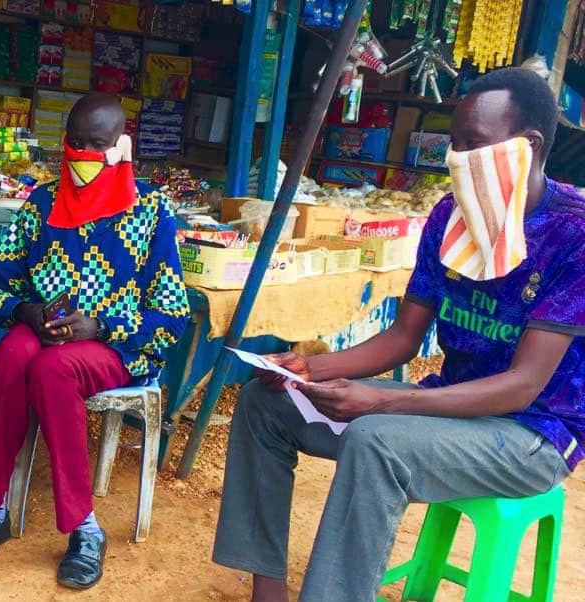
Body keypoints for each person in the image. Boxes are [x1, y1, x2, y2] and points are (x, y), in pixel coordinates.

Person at [212, 66, 583, 602]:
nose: (456, 158)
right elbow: (403, 339)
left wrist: (381, 402)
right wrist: (309, 368)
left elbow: (521, 387)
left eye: (472, 144)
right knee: (266, 404)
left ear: (527, 146)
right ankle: (267, 591)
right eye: (453, 143)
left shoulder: (574, 235)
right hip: (447, 410)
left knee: (375, 439)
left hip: (531, 434)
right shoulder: (450, 216)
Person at [0, 94, 189, 589]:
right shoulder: (41, 203)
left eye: (96, 145)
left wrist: (100, 325)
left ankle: (85, 529)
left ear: (121, 146)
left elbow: (171, 317)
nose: (82, 154)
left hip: (117, 348)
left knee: (52, 369)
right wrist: (25, 311)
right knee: (12, 355)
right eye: (74, 143)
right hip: (44, 334)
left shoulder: (150, 210)